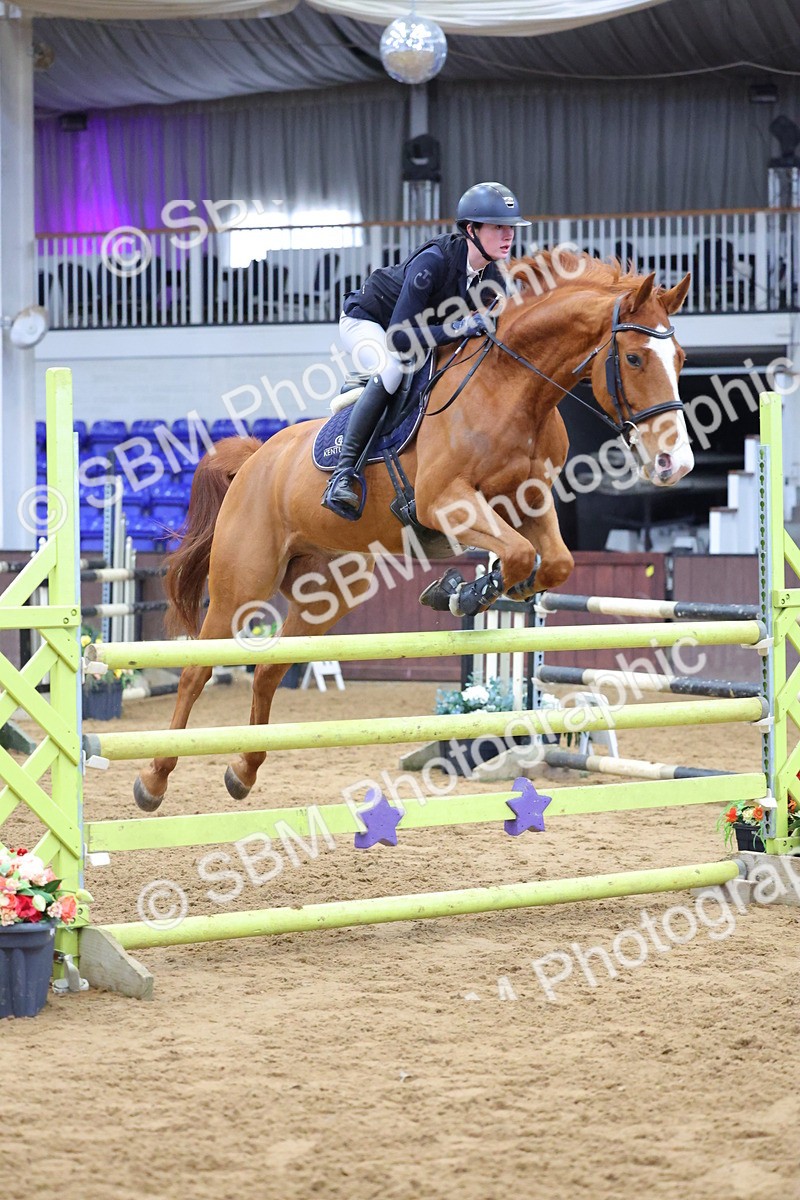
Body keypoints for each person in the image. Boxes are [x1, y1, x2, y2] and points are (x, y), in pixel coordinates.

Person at [322, 181, 531, 518]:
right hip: (369, 322)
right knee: (391, 368)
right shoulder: (433, 262)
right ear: (470, 230)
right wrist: (459, 327)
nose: (509, 235)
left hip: (416, 334)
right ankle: (343, 475)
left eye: (511, 228)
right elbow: (399, 339)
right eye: (498, 227)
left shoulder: (493, 276)